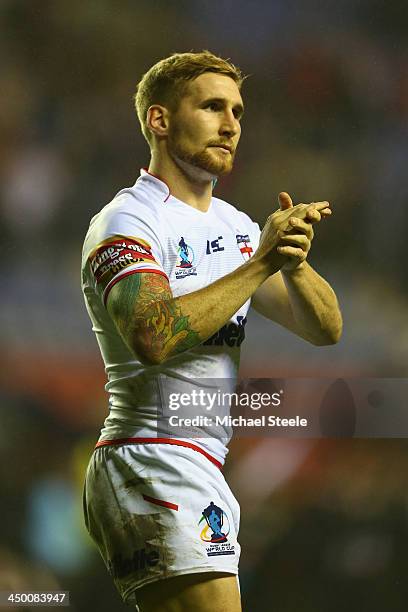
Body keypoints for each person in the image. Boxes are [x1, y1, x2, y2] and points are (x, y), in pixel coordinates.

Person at [81, 50, 342, 612]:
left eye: (239, 112)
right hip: (150, 456)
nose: (231, 125)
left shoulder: (235, 226)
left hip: (197, 460)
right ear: (160, 120)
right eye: (212, 107)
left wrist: (291, 264)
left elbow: (326, 330)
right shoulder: (129, 221)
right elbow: (152, 337)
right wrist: (260, 265)